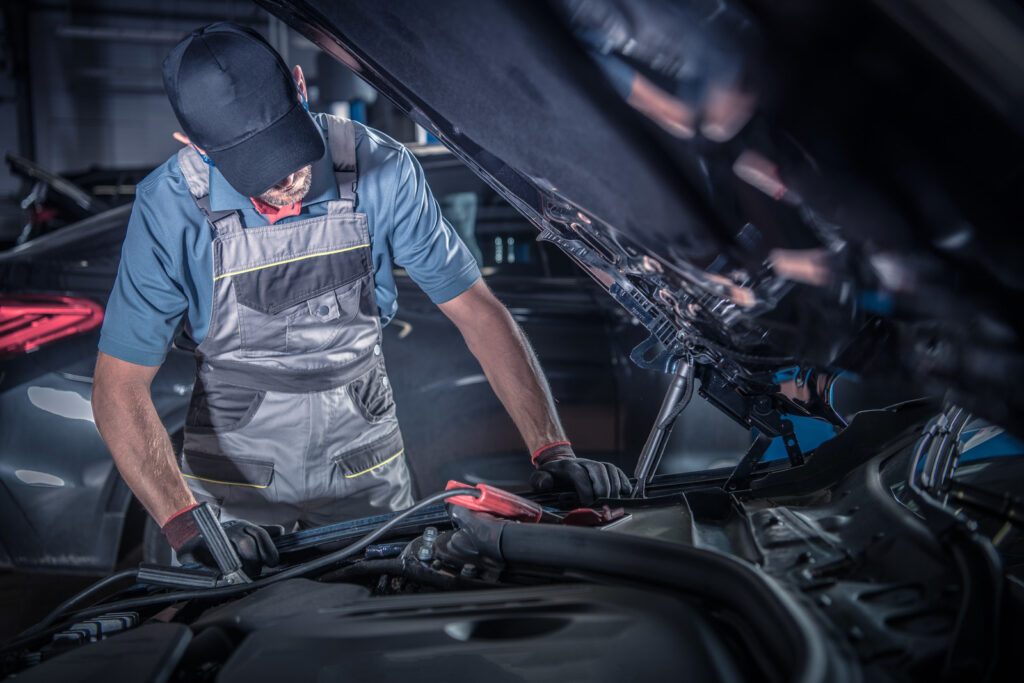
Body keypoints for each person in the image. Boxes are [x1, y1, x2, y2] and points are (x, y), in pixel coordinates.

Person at [91, 23, 630, 572]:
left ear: (300, 87)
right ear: (195, 145)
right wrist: (186, 523)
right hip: (232, 492)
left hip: (365, 471)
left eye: (290, 146)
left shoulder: (384, 168)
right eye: (257, 166)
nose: (288, 179)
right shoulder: (169, 209)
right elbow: (119, 387)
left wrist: (551, 447)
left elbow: (477, 312)